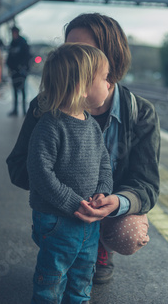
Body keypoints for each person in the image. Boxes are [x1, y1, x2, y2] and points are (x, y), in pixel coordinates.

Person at [6, 13, 160, 285]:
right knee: (56, 273)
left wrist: (116, 203)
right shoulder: (44, 107)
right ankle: (63, 241)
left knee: (131, 232)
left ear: (109, 62)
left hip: (107, 205)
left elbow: (146, 184)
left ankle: (100, 247)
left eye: (84, 52)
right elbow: (18, 166)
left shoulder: (140, 113)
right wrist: (63, 189)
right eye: (68, 51)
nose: (73, 61)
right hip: (59, 208)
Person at [28, 43, 113, 303]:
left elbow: (104, 164)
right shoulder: (50, 126)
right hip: (57, 220)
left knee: (82, 276)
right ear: (82, 86)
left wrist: (103, 191)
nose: (109, 84)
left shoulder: (92, 126)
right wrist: (73, 202)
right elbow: (40, 173)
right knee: (52, 279)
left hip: (89, 220)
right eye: (104, 78)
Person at [6, 26, 31, 116]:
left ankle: (24, 111)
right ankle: (15, 110)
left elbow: (27, 56)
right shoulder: (12, 43)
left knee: (23, 90)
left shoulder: (23, 42)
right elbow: (9, 57)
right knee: (15, 91)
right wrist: (9, 67)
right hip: (14, 71)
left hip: (22, 71)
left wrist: (25, 69)